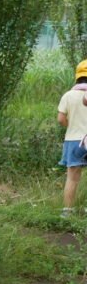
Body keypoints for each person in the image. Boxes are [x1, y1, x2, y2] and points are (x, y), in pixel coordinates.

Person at [57, 59, 87, 218]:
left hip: (73, 140)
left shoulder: (68, 96)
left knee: (72, 178)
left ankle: (67, 212)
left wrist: (71, 125)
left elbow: (61, 119)